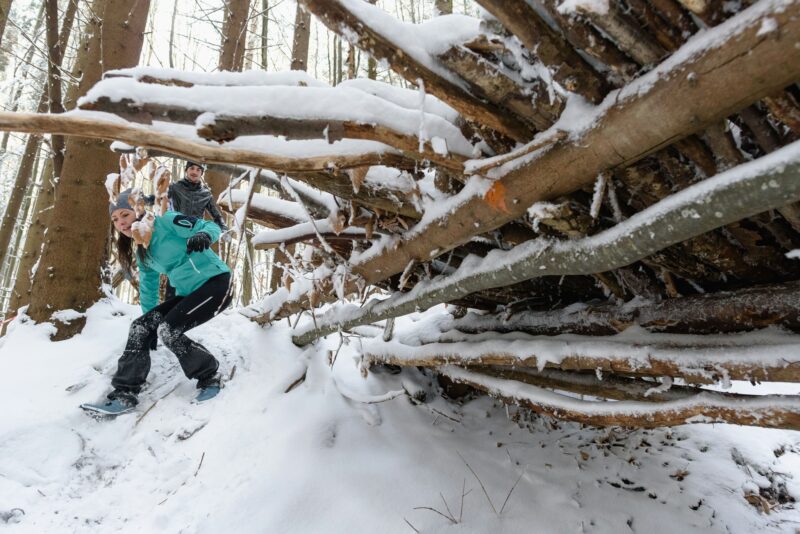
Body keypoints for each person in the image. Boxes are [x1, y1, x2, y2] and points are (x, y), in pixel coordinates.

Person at [81, 189, 232, 415]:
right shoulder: (143, 251)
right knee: (140, 327)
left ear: (138, 210)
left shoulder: (166, 221)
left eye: (124, 214)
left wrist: (204, 236)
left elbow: (210, 226)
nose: (120, 222)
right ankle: (124, 394)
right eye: (115, 219)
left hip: (216, 282)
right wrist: (148, 327)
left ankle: (209, 376)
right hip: (187, 293)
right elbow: (148, 289)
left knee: (169, 330)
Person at [164, 161, 230, 301]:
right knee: (175, 273)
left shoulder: (205, 194)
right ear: (186, 170)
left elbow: (216, 215)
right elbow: (159, 202)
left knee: (196, 273)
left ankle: (191, 305)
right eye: (192, 168)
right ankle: (169, 305)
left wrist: (224, 230)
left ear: (201, 173)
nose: (194, 172)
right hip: (176, 237)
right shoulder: (174, 188)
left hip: (196, 239)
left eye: (198, 170)